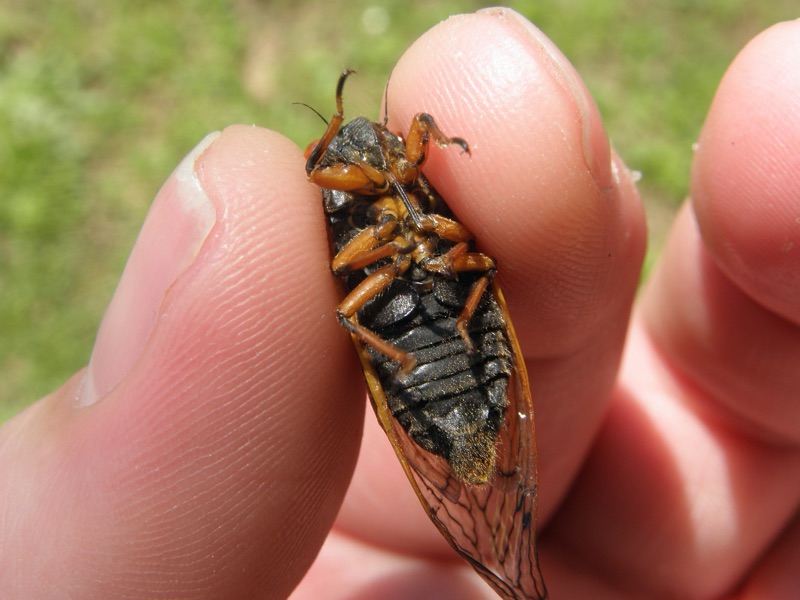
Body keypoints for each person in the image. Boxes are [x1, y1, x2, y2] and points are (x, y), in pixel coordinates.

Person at [1, 8, 797, 599]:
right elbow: (354, 294)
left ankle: (495, 496)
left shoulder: (401, 190)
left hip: (450, 319)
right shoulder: (350, 228)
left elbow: (459, 225)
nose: (357, 152)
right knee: (391, 295)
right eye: (336, 158)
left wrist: (440, 157)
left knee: (479, 250)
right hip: (417, 338)